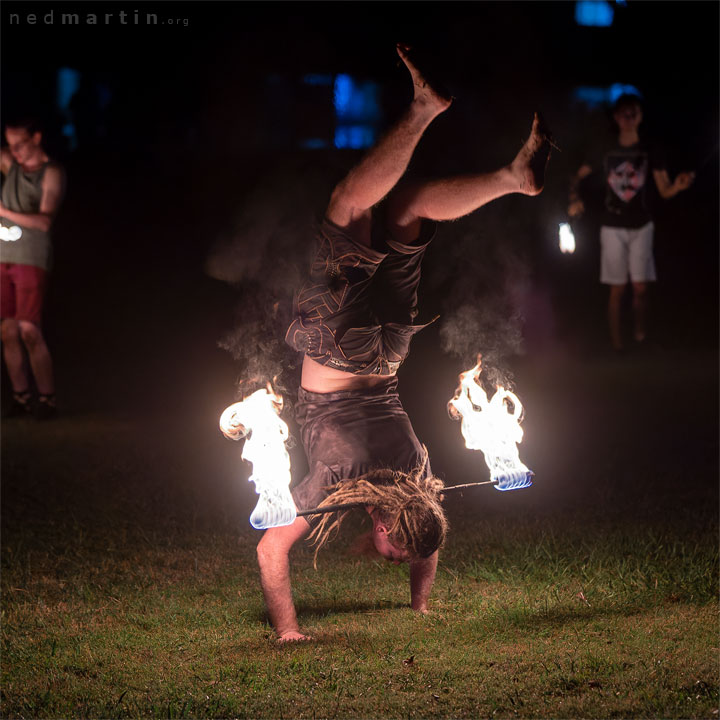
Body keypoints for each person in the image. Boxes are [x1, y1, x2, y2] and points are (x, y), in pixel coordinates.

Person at [253, 45, 551, 642]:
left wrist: (420, 606)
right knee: (348, 207)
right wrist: (287, 630)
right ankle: (422, 110)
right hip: (339, 351)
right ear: (392, 523)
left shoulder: (422, 477)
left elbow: (428, 542)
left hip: (390, 353)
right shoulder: (345, 484)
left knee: (407, 211)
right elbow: (269, 551)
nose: (383, 553)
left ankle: (509, 178)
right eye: (391, 552)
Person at [568, 93, 694, 352]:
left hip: (642, 226)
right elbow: (576, 176)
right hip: (612, 225)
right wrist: (573, 197)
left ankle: (640, 336)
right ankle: (616, 346)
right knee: (617, 288)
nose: (629, 117)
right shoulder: (606, 147)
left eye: (634, 112)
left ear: (640, 116)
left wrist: (678, 186)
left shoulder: (650, 149)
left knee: (640, 288)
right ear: (616, 117)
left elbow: (665, 189)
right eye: (624, 112)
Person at [0, 117, 65, 419]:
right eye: (10, 146)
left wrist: (3, 211)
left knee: (28, 330)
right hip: (3, 257)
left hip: (31, 258)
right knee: (8, 329)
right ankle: (21, 398)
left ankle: (48, 400)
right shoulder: (11, 164)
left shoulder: (50, 173)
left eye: (21, 144)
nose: (15, 152)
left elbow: (43, 221)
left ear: (36, 138)